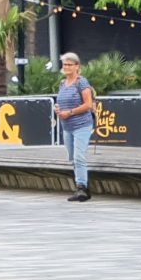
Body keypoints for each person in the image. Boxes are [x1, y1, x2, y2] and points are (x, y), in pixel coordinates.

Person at [55, 52, 95, 202]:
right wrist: (59, 110)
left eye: (69, 65)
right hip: (67, 126)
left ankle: (82, 188)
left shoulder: (81, 82)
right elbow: (62, 101)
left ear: (77, 66)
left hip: (81, 125)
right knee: (73, 157)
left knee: (79, 156)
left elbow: (88, 104)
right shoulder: (62, 84)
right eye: (64, 64)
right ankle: (82, 185)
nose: (66, 67)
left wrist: (70, 112)